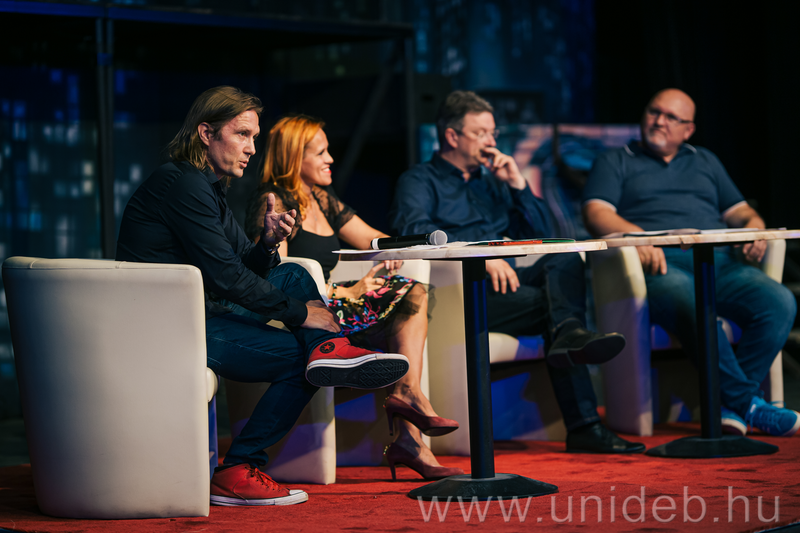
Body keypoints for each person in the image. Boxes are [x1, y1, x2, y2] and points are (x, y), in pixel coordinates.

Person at [116, 87, 410, 507]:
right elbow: (227, 277)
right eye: (242, 134)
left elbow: (245, 266)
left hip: (197, 315)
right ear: (206, 133)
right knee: (303, 361)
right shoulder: (182, 184)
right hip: (171, 328)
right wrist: (300, 314)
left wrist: (268, 243)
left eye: (254, 137)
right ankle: (239, 467)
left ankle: (328, 350)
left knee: (290, 272)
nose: (252, 148)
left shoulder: (207, 187)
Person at [391, 90, 643, 454]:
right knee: (557, 311)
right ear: (452, 136)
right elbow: (415, 232)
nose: (491, 142)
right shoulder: (419, 180)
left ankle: (569, 336)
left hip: (506, 285)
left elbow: (546, 235)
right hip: (457, 293)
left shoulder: (492, 182)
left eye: (492, 133)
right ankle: (585, 422)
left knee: (566, 259)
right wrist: (477, 255)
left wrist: (518, 184)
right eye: (481, 133)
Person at [241, 114, 463, 480]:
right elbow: (279, 274)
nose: (330, 159)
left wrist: (412, 246)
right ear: (295, 157)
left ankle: (408, 413)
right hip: (307, 317)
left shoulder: (321, 198)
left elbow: (371, 240)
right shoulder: (274, 201)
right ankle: (409, 422)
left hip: (339, 308)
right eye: (320, 153)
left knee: (412, 292)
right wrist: (346, 290)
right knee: (408, 302)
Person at [582, 88, 799, 437]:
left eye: (671, 117)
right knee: (693, 300)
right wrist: (639, 237)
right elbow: (596, 212)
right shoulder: (615, 160)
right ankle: (749, 405)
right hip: (660, 265)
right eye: (654, 111)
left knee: (779, 301)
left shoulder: (705, 161)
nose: (659, 121)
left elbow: (742, 212)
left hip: (720, 264)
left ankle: (731, 407)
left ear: (689, 130)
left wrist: (755, 229)